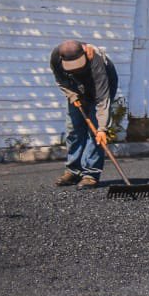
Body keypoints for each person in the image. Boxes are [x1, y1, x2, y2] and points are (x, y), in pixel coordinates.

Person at [49, 40, 118, 189]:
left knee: (96, 134)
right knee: (73, 130)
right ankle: (73, 171)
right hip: (75, 89)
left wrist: (102, 129)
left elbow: (103, 98)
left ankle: (90, 175)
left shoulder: (96, 61)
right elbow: (61, 80)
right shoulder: (56, 57)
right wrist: (72, 95)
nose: (75, 69)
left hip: (101, 88)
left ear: (86, 52)